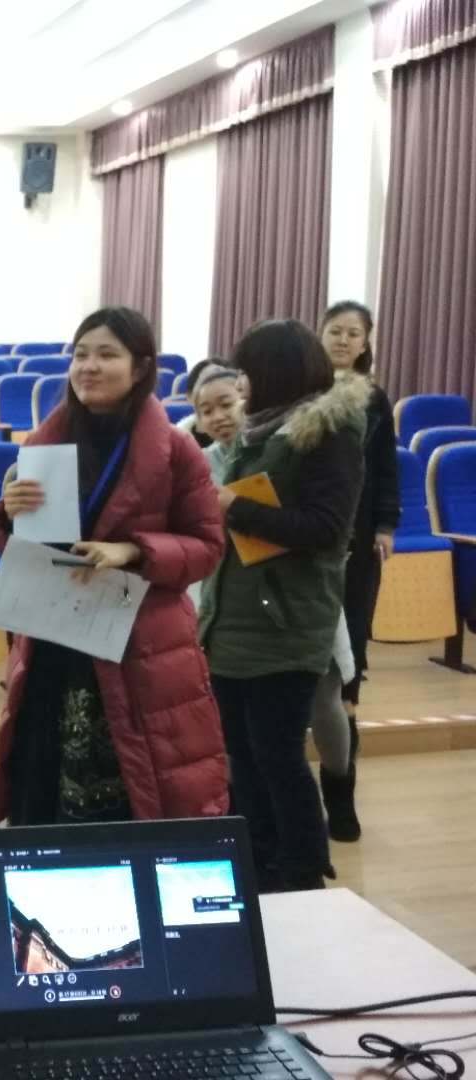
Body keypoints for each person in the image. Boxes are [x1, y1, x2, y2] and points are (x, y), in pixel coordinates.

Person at [0, 306, 228, 829]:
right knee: (43, 787)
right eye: (80, 354)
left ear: (140, 369)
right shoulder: (45, 441)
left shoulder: (177, 450)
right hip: (53, 640)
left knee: (135, 794)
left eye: (106, 355)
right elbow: (27, 547)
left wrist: (133, 552)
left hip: (139, 644)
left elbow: (208, 545)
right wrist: (10, 512)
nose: (88, 366)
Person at [199, 319, 367, 892]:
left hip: (286, 620)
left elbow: (325, 529)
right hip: (234, 618)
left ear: (273, 373)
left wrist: (233, 507)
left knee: (276, 754)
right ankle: (260, 858)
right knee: (244, 754)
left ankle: (300, 869)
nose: (241, 386)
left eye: (246, 373)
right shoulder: (259, 433)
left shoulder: (327, 432)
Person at [316, 300, 398, 842]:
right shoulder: (302, 391)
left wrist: (385, 525)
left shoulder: (373, 399)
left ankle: (342, 792)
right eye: (336, 331)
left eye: (354, 334)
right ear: (319, 335)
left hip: (357, 543)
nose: (344, 340)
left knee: (349, 662)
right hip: (308, 543)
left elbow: (387, 467)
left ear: (366, 344)